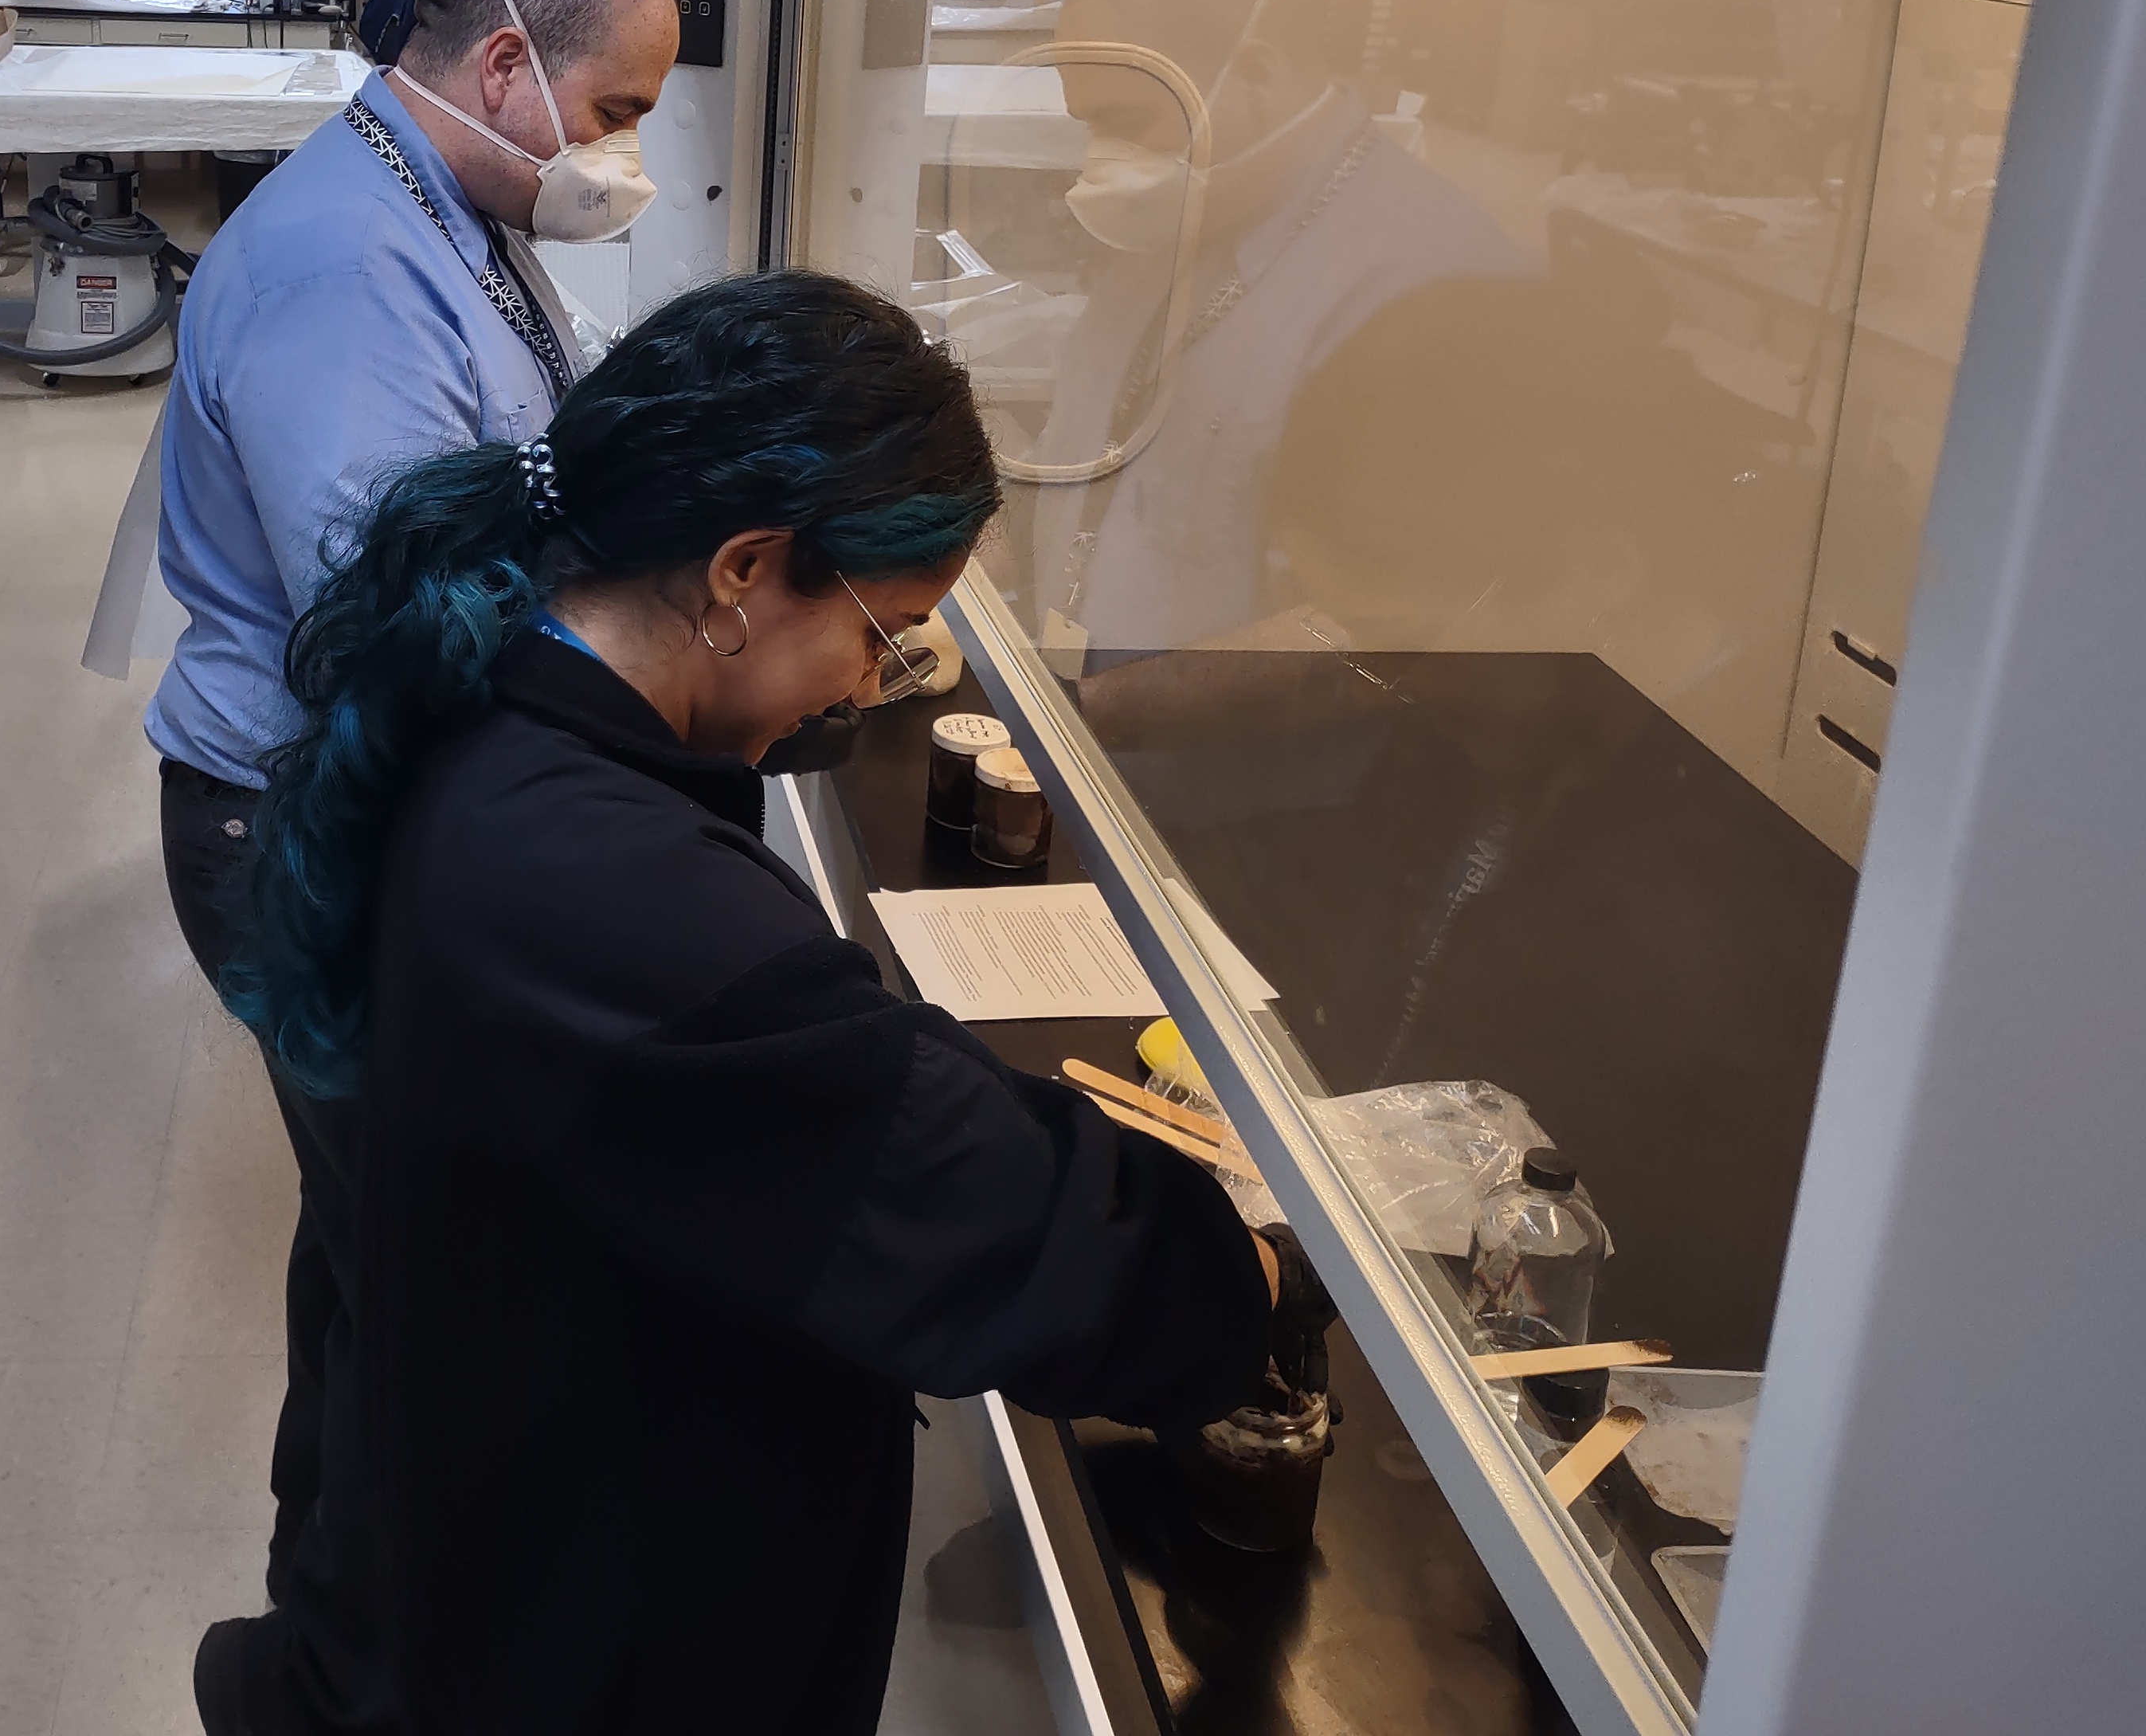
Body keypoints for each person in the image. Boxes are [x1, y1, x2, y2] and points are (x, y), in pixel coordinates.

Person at [199, 268, 1332, 1736]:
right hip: (556, 1637)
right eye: (881, 628)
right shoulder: (601, 890)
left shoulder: (482, 691)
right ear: (742, 572)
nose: (869, 685)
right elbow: (965, 1207)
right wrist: (1246, 1279)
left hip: (463, 1487)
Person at [143, 0, 682, 1684]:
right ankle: (356, 1665)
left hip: (351, 796)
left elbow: (526, 444)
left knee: (378, 1239)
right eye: (614, 112)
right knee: (432, 1272)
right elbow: (388, 610)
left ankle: (329, 1594)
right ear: (508, 68)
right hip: (289, 822)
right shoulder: (342, 270)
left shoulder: (436, 198)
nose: (624, 157)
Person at [1008, 0, 1527, 656]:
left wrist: (1112, 711)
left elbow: (1399, 623)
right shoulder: (1188, 210)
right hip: (1081, 720)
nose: (1103, 165)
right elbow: (1091, 456)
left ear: (1255, 71)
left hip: (1203, 760)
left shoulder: (1433, 288)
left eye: (1126, 121)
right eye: (1089, 126)